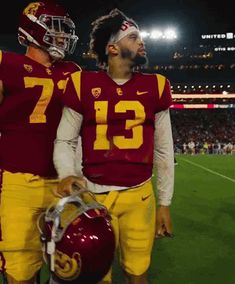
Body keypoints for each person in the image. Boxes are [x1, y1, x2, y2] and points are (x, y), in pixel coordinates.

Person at [53, 8, 175, 284]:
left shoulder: (156, 86)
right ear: (112, 48)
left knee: (137, 273)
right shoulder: (82, 83)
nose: (141, 42)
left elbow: (164, 149)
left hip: (139, 196)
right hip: (92, 197)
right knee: (96, 276)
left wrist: (165, 203)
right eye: (133, 37)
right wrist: (67, 173)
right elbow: (65, 139)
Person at [0, 1, 80, 283]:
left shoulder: (73, 71)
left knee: (73, 267)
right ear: (34, 28)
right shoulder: (5, 64)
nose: (64, 37)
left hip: (63, 183)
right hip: (17, 183)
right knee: (20, 271)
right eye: (58, 29)